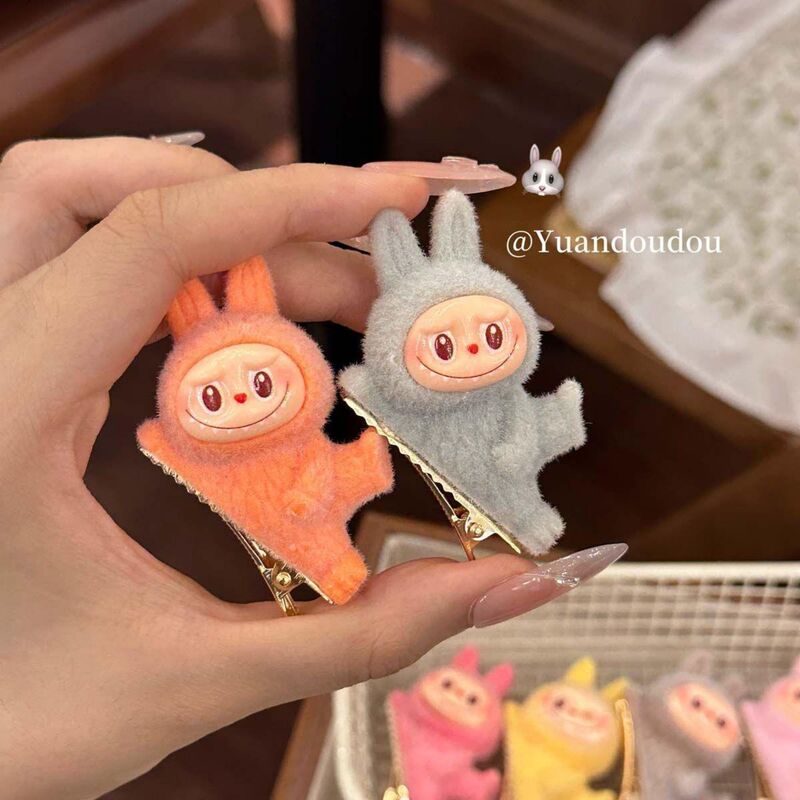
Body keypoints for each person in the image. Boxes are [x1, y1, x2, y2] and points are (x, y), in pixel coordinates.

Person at [0, 137, 621, 799]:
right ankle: (343, 551)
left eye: (490, 336)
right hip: (312, 516)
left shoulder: (443, 397)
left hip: (436, 481)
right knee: (335, 531)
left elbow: (370, 448)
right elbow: (278, 464)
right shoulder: (217, 446)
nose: (244, 400)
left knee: (471, 480)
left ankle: (478, 505)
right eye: (218, 397)